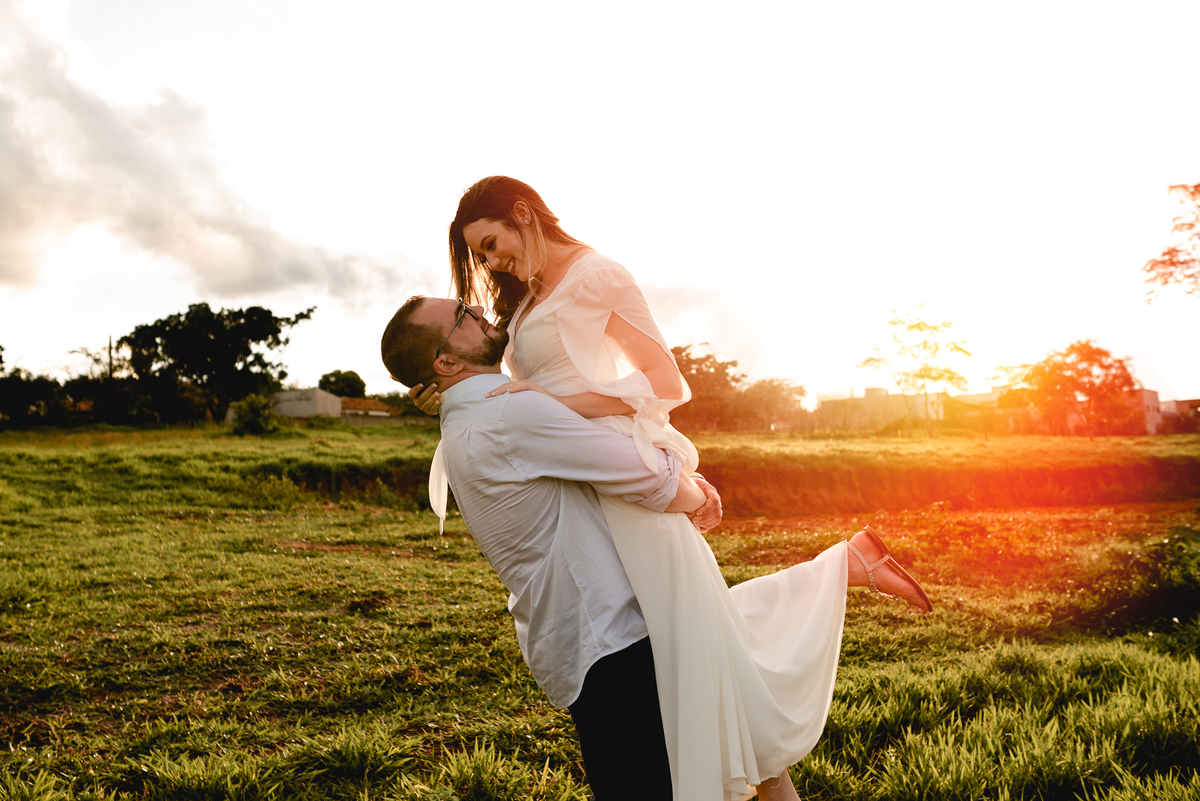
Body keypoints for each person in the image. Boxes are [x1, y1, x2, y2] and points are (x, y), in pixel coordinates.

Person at [410, 177, 933, 801]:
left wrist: (566, 406)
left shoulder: (598, 275)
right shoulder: (525, 297)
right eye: (482, 256)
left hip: (623, 481)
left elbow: (665, 382)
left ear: (523, 214)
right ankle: (843, 565)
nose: (491, 263)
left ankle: (840, 568)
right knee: (710, 654)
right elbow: (497, 391)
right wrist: (451, 392)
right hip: (590, 484)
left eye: (491, 244)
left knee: (702, 650)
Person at [381, 295, 723, 799]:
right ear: (447, 362)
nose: (480, 313)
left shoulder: (461, 422)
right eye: (463, 316)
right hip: (614, 640)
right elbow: (651, 478)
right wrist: (698, 493)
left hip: (575, 640)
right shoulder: (510, 411)